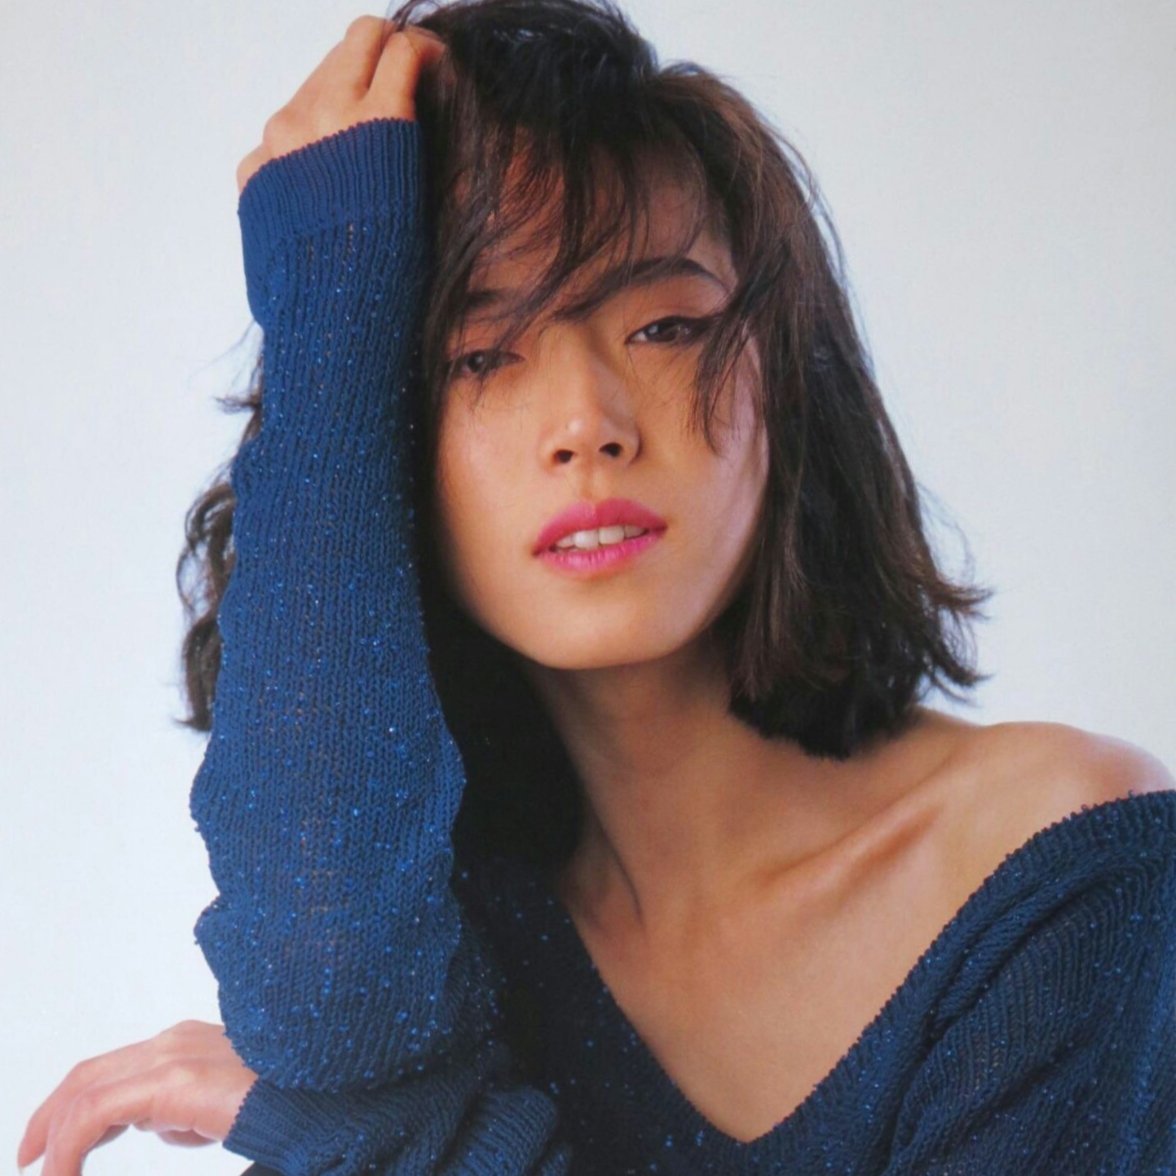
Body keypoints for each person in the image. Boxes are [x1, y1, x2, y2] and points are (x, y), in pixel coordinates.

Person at [18, 1, 1176, 1173]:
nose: (587, 424)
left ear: (785, 386)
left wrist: (367, 1140)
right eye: (481, 356)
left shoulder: (1057, 858)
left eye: (666, 328)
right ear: (388, 452)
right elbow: (325, 986)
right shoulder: (447, 945)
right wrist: (327, 316)